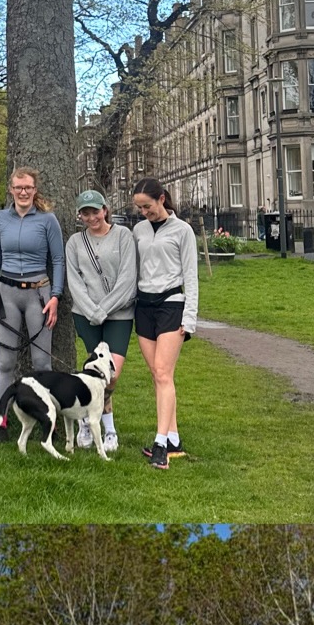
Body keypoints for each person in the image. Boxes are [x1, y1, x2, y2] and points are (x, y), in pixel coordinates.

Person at [130, 176, 199, 470]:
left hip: (171, 305)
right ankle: (174, 439)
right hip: (143, 306)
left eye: (147, 206)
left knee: (163, 372)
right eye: (140, 209)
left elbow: (191, 276)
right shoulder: (138, 231)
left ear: (161, 198)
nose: (144, 212)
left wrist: (190, 318)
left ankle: (160, 445)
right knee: (157, 375)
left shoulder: (183, 231)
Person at [0, 167, 65, 418]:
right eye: (18, 187)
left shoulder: (47, 220)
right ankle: (1, 420)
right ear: (11, 189)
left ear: (34, 190)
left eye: (28, 187)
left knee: (41, 363)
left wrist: (55, 296)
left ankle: (45, 419)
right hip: (5, 294)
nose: (23, 192)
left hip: (38, 295)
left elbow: (59, 260)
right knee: (6, 363)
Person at [64, 190, 137, 454]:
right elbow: (74, 281)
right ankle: (97, 425)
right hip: (85, 314)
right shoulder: (75, 242)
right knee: (94, 375)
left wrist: (104, 309)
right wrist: (91, 311)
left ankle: (95, 419)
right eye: (86, 213)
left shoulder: (123, 236)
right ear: (79, 215)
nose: (92, 217)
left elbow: (128, 278)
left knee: (111, 376)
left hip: (118, 314)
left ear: (105, 210)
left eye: (96, 211)